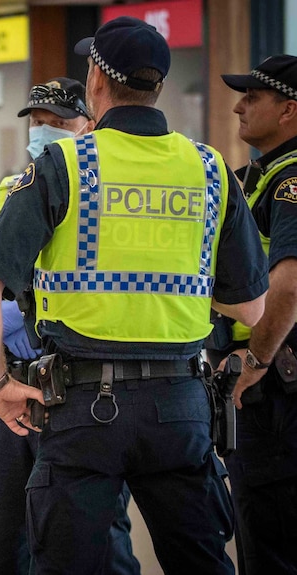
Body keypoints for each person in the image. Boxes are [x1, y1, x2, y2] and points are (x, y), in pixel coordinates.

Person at [0, 17, 268, 574]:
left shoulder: (63, 165)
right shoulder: (212, 170)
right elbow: (250, 307)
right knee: (200, 561)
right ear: (159, 86)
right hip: (181, 405)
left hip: (81, 408)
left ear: (97, 80)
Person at [0, 78, 139, 575]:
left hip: (83, 391)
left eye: (59, 123)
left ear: (89, 126)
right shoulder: (8, 193)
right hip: (9, 387)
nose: (44, 133)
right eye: (37, 123)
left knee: (95, 542)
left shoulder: (112, 197)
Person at [210, 54, 297, 575]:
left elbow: (289, 284)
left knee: (271, 545)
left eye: (253, 97)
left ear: (288, 110)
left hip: (275, 393)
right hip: (263, 389)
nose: (239, 107)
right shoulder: (256, 176)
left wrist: (256, 360)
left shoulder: (291, 182)